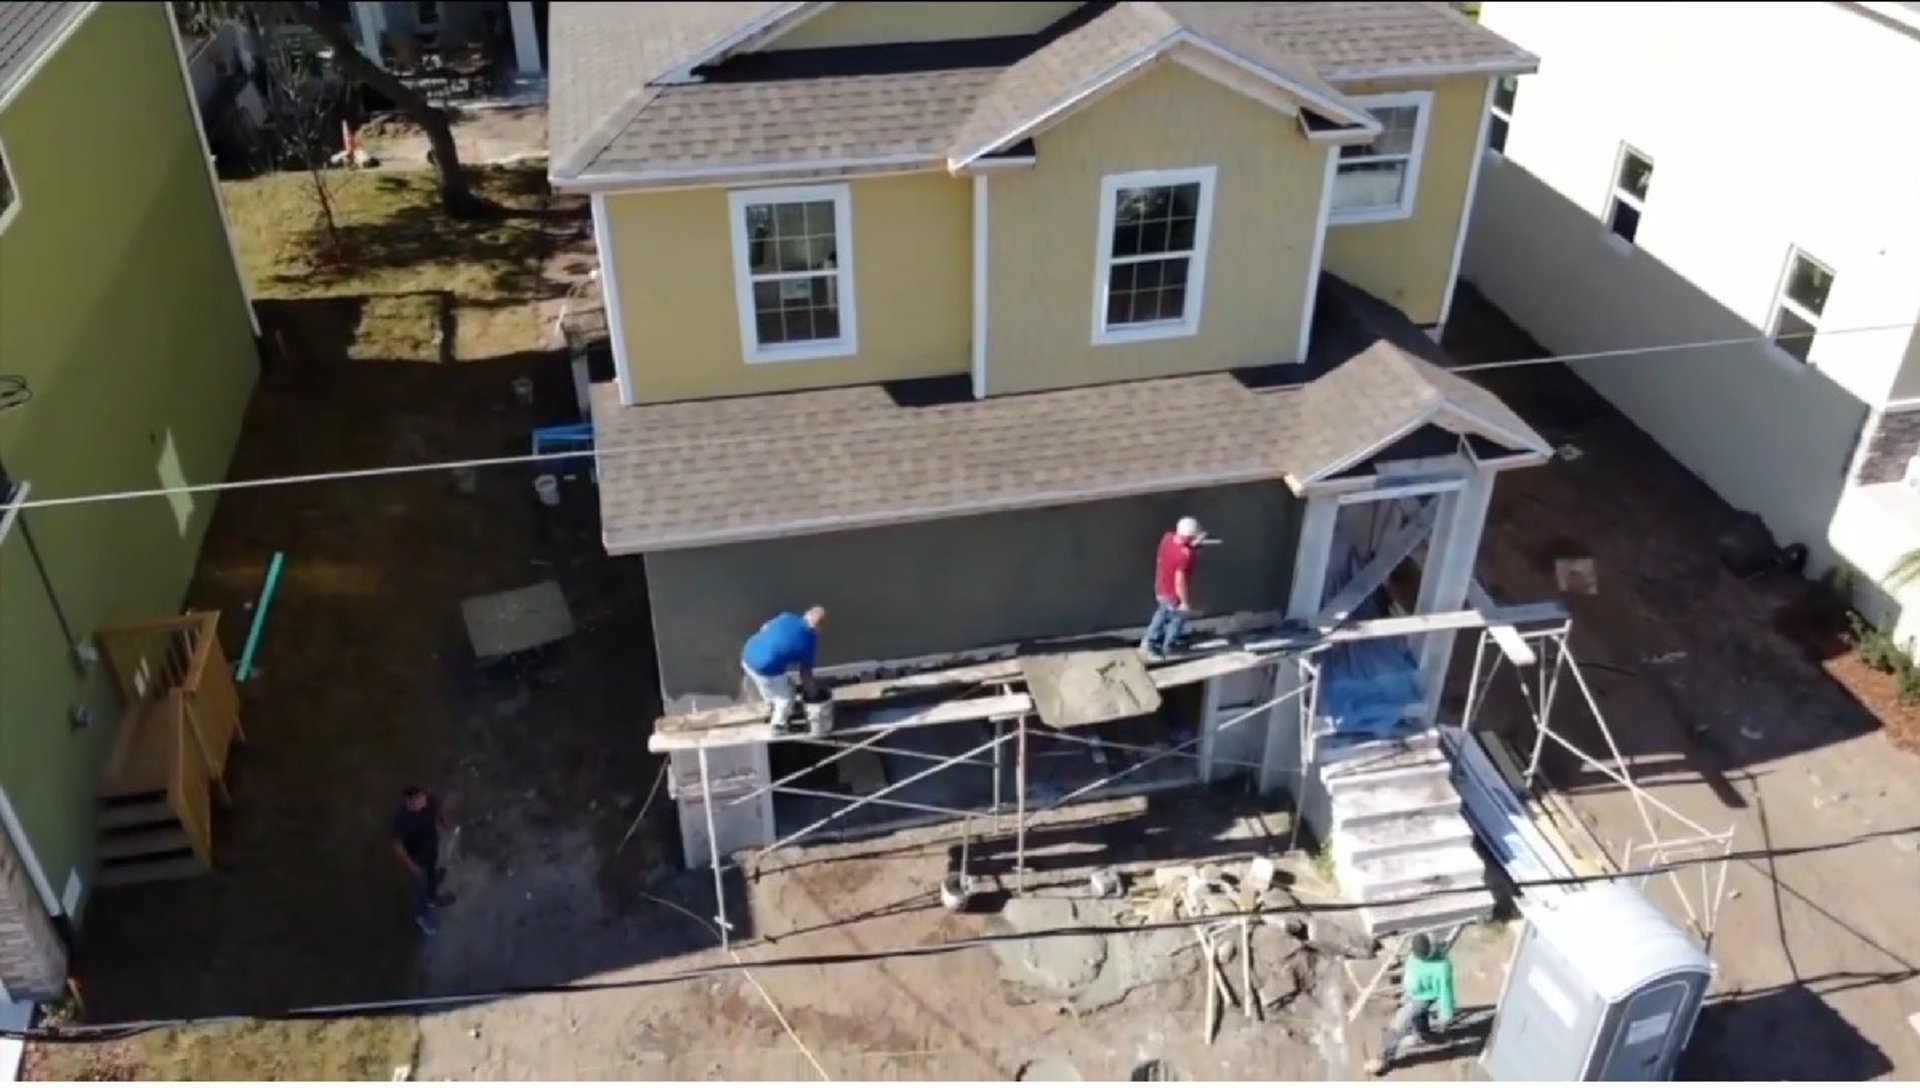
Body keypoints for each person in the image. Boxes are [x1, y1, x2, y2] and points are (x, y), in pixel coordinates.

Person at [1366, 933, 1457, 1076]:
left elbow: (1446, 992)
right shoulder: (1416, 952)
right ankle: (1425, 1034)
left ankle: (1383, 1059)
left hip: (1422, 998)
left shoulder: (1442, 967)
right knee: (1419, 1017)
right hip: (1410, 994)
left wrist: (1446, 1014)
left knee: (1396, 1026)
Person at [742, 606, 826, 729]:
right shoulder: (809, 643)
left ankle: (770, 705)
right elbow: (805, 674)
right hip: (764, 668)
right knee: (786, 696)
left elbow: (765, 627)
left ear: (806, 614)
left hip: (747, 653)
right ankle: (778, 725)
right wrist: (812, 694)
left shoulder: (787, 617)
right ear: (818, 627)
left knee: (766, 685)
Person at [391, 786, 456, 936]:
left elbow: (439, 811)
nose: (423, 801)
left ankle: (432, 896)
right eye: (419, 799)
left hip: (431, 851)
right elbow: (397, 846)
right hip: (416, 860)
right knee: (421, 889)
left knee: (432, 872)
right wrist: (412, 866)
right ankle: (422, 918)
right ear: (409, 802)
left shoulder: (429, 802)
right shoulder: (402, 820)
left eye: (423, 797)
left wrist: (446, 823)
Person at [1141, 517, 1206, 658]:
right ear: (1188, 537)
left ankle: (1150, 641)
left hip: (1161, 588)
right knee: (1178, 618)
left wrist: (1192, 545)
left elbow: (1178, 547)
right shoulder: (1184, 555)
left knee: (1162, 615)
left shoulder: (1167, 538)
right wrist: (1184, 603)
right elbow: (1180, 581)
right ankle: (1168, 647)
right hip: (1172, 594)